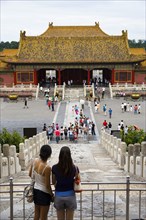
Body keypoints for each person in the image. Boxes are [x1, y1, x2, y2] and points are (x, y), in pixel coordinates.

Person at [52, 146, 81, 220]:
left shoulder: (54, 168)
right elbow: (78, 179)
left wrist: (57, 186)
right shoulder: (74, 168)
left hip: (58, 195)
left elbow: (53, 181)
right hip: (70, 195)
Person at [29, 145, 54, 220]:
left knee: (36, 215)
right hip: (44, 193)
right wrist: (52, 194)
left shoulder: (34, 161)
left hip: (36, 190)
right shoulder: (47, 168)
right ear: (49, 155)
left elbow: (30, 174)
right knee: (44, 217)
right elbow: (47, 185)